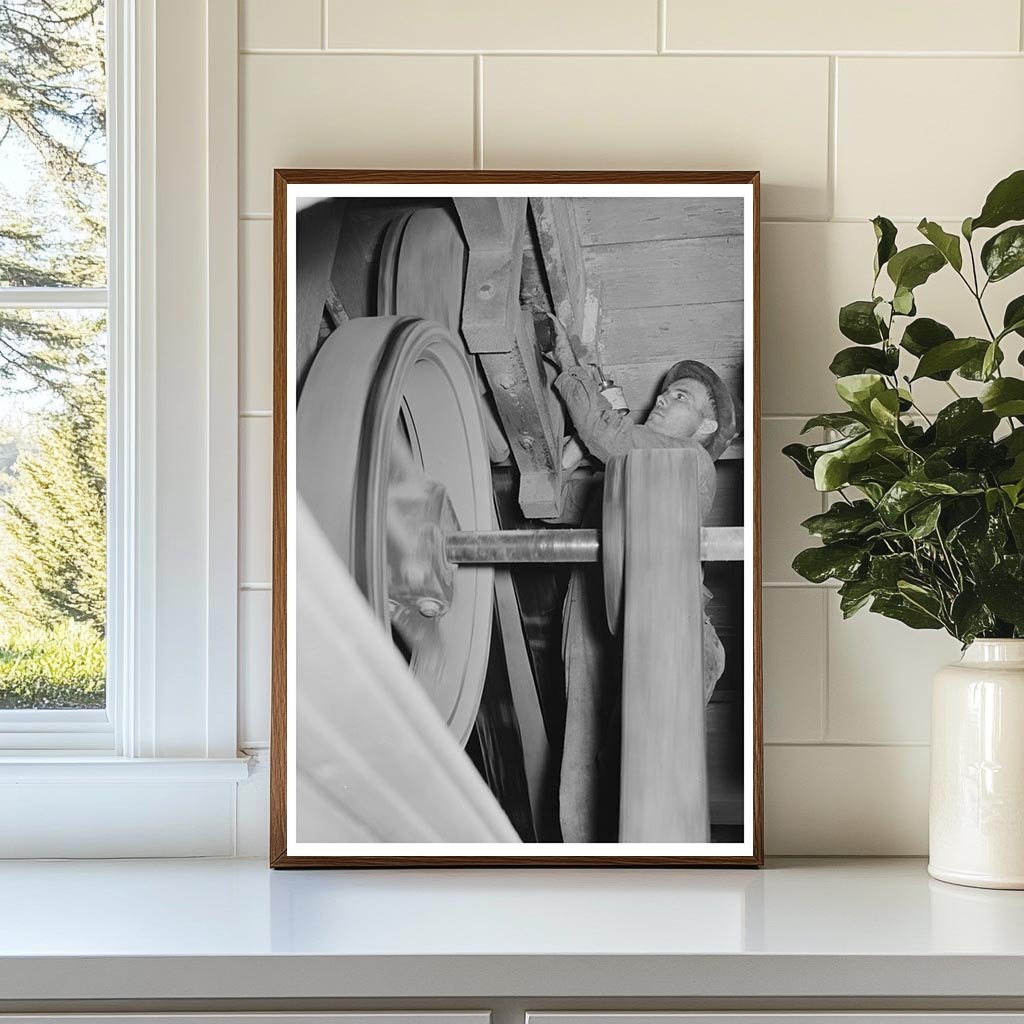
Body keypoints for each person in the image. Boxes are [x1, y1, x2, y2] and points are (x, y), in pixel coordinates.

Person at [543, 315, 738, 843]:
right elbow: (558, 506)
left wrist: (571, 365)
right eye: (667, 391)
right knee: (586, 756)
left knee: (647, 772)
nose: (665, 398)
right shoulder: (623, 470)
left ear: (704, 427)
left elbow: (609, 434)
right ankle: (589, 870)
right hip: (596, 601)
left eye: (682, 396)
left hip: (668, 619)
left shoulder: (689, 459)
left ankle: (658, 872)